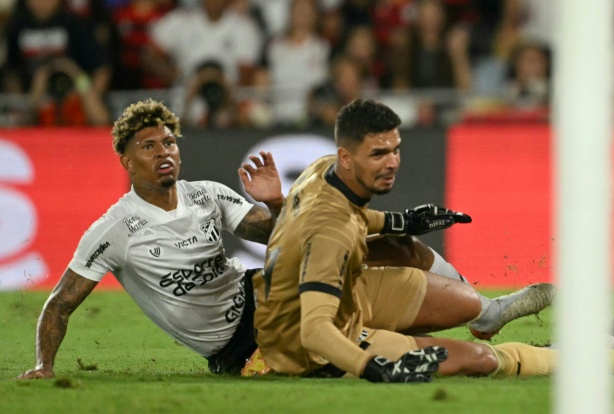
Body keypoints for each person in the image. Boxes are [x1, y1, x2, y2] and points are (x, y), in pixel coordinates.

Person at [16, 99, 551, 379]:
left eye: (170, 142)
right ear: (125, 158)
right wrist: (45, 365)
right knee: (447, 356)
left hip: (272, 292)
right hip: (248, 345)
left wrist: (275, 202)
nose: (165, 153)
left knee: (390, 246)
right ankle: (515, 354)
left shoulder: (206, 194)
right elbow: (60, 304)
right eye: (149, 145)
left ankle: (487, 313)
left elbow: (280, 235)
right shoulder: (113, 230)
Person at [248, 98, 614, 380]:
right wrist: (373, 367)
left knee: (450, 289)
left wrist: (404, 220)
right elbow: (315, 329)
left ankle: (488, 315)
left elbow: (350, 218)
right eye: (378, 155)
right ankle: (575, 360)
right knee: (477, 359)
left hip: (345, 291)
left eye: (395, 149)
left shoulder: (322, 172)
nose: (392, 163)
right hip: (312, 345)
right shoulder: (330, 233)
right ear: (346, 156)